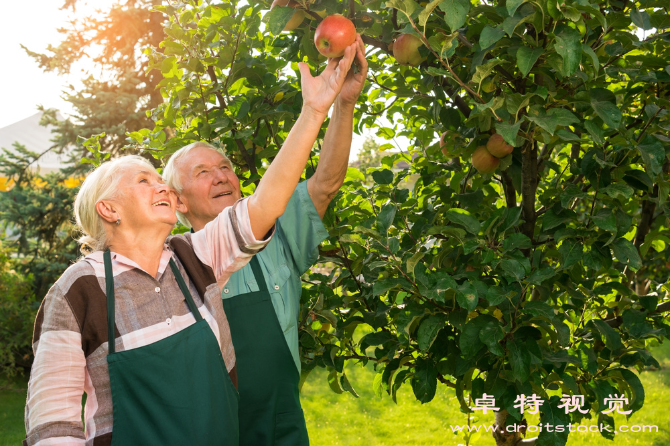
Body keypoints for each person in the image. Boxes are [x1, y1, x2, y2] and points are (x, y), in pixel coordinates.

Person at [23, 42, 358, 446]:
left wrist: (317, 110)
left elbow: (268, 202)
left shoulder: (192, 260)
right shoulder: (78, 291)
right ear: (109, 209)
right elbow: (52, 427)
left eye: (159, 179)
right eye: (144, 180)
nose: (160, 185)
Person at [162, 35, 367, 445]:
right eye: (203, 172)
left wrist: (343, 104)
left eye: (225, 167)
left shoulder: (274, 234)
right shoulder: (166, 266)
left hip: (280, 425)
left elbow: (325, 184)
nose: (221, 175)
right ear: (178, 201)